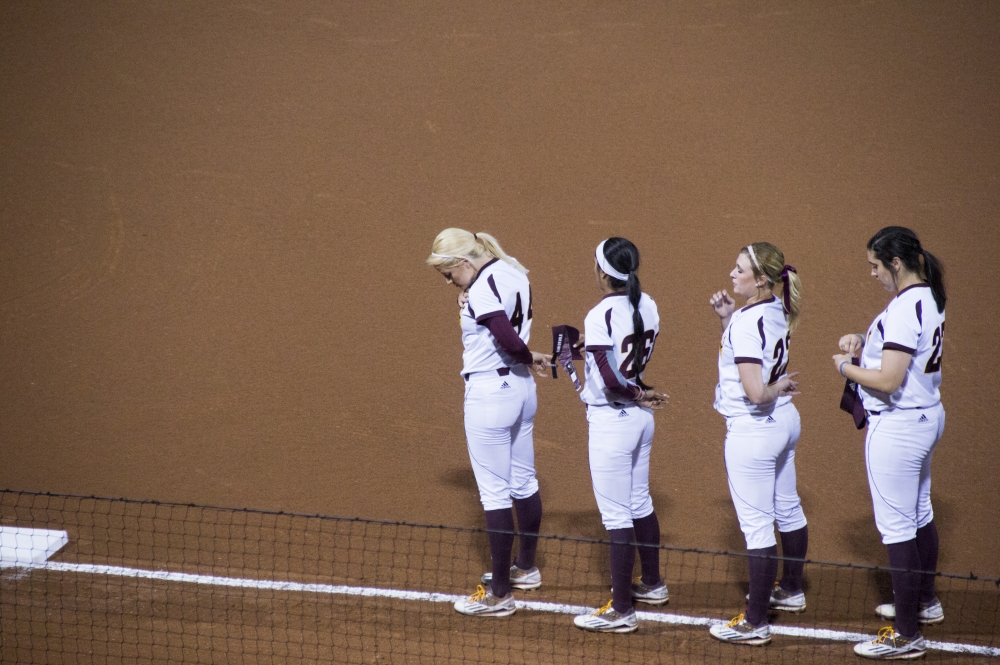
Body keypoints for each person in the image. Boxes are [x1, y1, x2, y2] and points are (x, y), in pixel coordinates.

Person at [833, 227, 946, 660]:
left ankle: (906, 633)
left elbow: (888, 380)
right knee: (920, 511)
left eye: (876, 266)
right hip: (927, 416)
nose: (873, 273)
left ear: (896, 264)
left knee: (898, 526)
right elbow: (904, 356)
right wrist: (865, 346)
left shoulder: (904, 307)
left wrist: (845, 366)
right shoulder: (929, 294)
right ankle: (922, 601)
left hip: (899, 429)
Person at [426, 228, 551, 618]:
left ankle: (499, 594)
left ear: (464, 262)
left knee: (494, 494)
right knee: (523, 480)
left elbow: (506, 337)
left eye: (450, 275)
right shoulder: (514, 271)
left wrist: (529, 355)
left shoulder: (480, 290)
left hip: (490, 397)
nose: (450, 284)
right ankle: (525, 568)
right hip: (521, 392)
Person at [707, 242, 808, 647]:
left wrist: (774, 386)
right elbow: (753, 355)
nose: (732, 274)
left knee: (756, 526)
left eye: (740, 270)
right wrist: (728, 318)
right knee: (788, 507)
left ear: (761, 278)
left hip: (754, 431)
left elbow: (755, 392)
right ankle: (793, 589)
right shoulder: (774, 308)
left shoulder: (747, 323)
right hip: (784, 423)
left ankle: (754, 623)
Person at [571, 238, 669, 634]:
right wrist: (638, 392)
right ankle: (653, 583)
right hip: (639, 421)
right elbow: (624, 358)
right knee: (639, 502)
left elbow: (611, 379)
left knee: (616, 516)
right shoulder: (647, 305)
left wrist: (638, 392)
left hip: (614, 422)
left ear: (602, 272)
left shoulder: (599, 314)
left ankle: (622, 610)